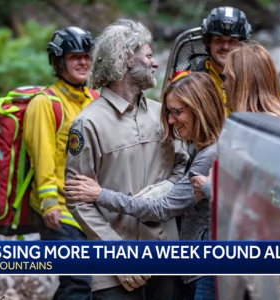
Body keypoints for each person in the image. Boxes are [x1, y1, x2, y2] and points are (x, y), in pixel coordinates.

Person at [65, 72, 225, 300]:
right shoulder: (88, 122)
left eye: (176, 112)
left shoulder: (209, 156)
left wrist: (100, 194)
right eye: (169, 112)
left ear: (200, 108)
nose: (170, 120)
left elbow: (161, 209)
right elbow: (76, 197)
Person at [63, 19, 188, 300]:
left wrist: (158, 193)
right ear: (126, 59)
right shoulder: (87, 125)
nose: (155, 63)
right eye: (148, 55)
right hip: (115, 271)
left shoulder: (163, 115)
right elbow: (77, 199)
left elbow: (183, 168)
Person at [24, 26, 96, 300]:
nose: (83, 62)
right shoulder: (45, 103)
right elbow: (40, 156)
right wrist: (48, 203)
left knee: (77, 285)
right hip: (60, 213)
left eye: (87, 56)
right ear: (58, 61)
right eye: (74, 56)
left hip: (89, 210)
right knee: (80, 284)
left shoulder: (94, 100)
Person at [190, 42, 280, 201]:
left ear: (241, 83)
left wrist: (208, 187)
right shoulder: (243, 124)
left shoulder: (270, 130)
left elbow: (266, 196)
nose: (223, 85)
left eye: (226, 78)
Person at [172, 6, 280, 118]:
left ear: (241, 44)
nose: (225, 47)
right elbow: (172, 117)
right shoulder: (187, 79)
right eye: (219, 40)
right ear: (209, 42)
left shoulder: (253, 79)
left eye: (232, 41)